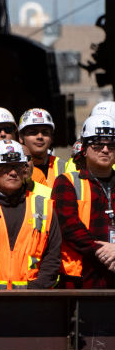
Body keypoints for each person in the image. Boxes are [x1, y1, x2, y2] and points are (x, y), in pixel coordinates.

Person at [0, 139, 60, 289]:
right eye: (5, 167)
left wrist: (36, 291)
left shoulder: (43, 207)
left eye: (17, 166)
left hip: (33, 299)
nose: (13, 172)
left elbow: (53, 256)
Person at [52, 114, 115, 288]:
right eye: (97, 144)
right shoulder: (67, 182)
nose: (105, 149)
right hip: (81, 280)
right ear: (85, 149)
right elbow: (69, 227)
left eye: (111, 144)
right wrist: (104, 252)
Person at [18, 108, 75, 187]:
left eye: (45, 132)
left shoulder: (64, 168)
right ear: (21, 137)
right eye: (33, 132)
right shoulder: (14, 169)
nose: (40, 137)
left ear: (52, 138)